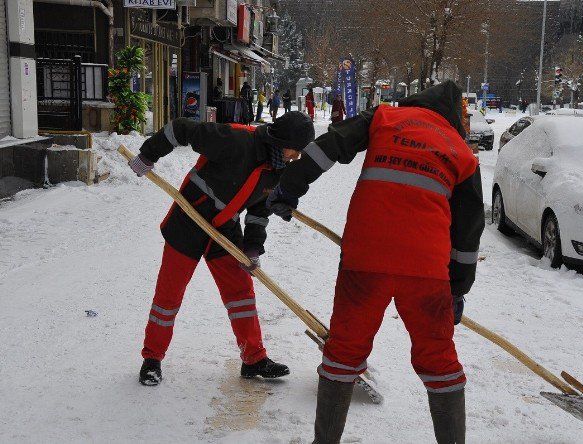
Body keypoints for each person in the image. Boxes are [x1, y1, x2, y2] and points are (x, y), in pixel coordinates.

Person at [266, 81, 484, 443]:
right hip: (426, 270)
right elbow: (468, 234)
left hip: (365, 258)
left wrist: (289, 188)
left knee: (344, 352)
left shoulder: (384, 117)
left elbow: (329, 146)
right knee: (439, 360)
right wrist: (457, 290)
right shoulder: (461, 151)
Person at [127, 111, 315, 387]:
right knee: (169, 294)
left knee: (240, 293)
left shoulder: (276, 168)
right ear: (280, 140)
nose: (296, 156)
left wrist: (252, 247)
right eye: (295, 150)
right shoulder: (235, 140)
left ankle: (253, 360)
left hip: (224, 229)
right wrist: (148, 155)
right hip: (189, 220)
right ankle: (152, 359)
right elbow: (181, 128)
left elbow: (258, 212)